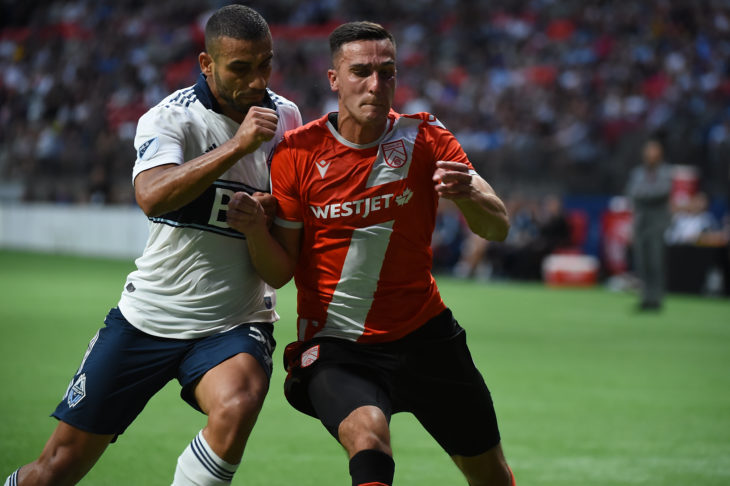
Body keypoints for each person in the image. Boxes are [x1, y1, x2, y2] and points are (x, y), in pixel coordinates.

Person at [3, 5, 301, 486]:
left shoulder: (286, 116)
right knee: (55, 470)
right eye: (240, 69)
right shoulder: (170, 118)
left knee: (239, 401)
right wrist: (237, 147)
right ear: (207, 65)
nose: (256, 80)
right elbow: (151, 195)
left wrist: (265, 211)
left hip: (233, 320)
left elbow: (285, 214)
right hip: (148, 318)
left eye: (265, 64)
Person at [228, 21, 515, 486]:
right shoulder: (297, 153)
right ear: (334, 79)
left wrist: (467, 194)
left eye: (388, 72)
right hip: (338, 344)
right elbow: (279, 273)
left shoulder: (426, 137)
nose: (376, 85)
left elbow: (497, 225)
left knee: (490, 474)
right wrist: (255, 232)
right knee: (369, 437)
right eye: (361, 71)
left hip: (425, 334)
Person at [625, 138, 673, 311]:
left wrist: (644, 194)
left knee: (655, 261)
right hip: (641, 221)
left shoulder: (666, 171)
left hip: (657, 222)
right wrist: (646, 194)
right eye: (648, 151)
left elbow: (661, 191)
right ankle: (645, 297)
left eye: (653, 151)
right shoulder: (637, 173)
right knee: (642, 261)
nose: (650, 155)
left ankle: (656, 298)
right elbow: (632, 192)